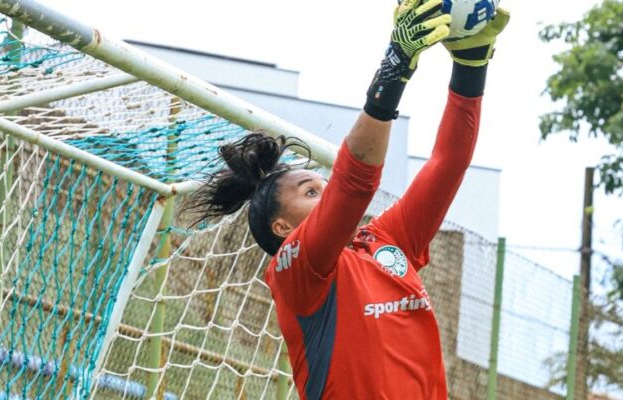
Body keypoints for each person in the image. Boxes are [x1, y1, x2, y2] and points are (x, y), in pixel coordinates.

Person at [186, 0, 509, 398]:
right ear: (283, 228)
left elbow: (448, 164)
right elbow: (354, 184)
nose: (325, 192)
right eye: (309, 191)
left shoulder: (384, 243)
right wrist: (396, 62)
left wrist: (471, 67)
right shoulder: (296, 272)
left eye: (322, 185)